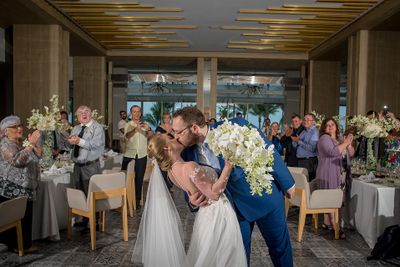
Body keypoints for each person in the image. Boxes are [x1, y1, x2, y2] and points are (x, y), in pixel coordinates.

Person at [172, 107, 295, 267]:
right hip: (233, 210)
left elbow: (267, 149)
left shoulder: (235, 126)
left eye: (178, 132)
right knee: (238, 255)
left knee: (279, 248)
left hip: (264, 198)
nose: (175, 137)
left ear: (194, 128)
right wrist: (192, 200)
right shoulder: (188, 153)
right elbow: (191, 181)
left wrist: (288, 183)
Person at [132, 133, 247, 266]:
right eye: (171, 139)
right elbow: (214, 194)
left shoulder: (171, 173)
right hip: (219, 214)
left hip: (205, 215)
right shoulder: (189, 167)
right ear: (166, 148)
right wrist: (228, 166)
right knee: (224, 257)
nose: (176, 138)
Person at [0, 115, 42, 253]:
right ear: (6, 131)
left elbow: (38, 155)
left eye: (20, 125)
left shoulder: (20, 142)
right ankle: (20, 246)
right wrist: (30, 144)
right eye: (14, 127)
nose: (19, 128)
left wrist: (34, 144)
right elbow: (17, 161)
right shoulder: (5, 144)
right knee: (18, 218)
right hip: (12, 189)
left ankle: (22, 245)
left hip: (25, 187)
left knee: (25, 218)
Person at [316, 118, 354, 238]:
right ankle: (335, 225)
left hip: (341, 172)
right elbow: (333, 152)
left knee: (337, 198)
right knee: (332, 198)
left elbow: (351, 153)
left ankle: (327, 222)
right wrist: (346, 143)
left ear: (336, 126)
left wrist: (348, 144)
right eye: (327, 125)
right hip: (329, 172)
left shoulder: (340, 138)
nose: (330, 127)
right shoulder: (324, 139)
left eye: (332, 124)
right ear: (324, 128)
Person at [68, 106, 105, 228]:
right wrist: (70, 142)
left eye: (86, 112)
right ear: (77, 116)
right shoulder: (76, 128)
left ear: (91, 114)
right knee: (80, 193)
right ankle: (84, 218)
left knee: (91, 194)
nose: (83, 114)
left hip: (91, 166)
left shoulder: (97, 127)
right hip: (77, 166)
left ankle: (95, 221)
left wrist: (79, 141)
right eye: (80, 113)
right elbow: (71, 145)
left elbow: (96, 145)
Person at [121, 105, 153, 209]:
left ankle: (137, 200)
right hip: (129, 155)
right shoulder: (128, 124)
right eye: (134, 112)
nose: (136, 113)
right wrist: (136, 129)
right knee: (124, 178)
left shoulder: (146, 124)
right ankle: (123, 200)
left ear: (141, 113)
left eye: (138, 111)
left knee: (139, 179)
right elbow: (127, 136)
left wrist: (149, 129)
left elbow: (151, 136)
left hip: (142, 155)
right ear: (131, 113)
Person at [292, 113, 319, 181]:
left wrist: (298, 141)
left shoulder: (315, 132)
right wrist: (295, 141)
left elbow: (312, 149)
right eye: (304, 119)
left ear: (313, 122)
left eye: (308, 119)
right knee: (301, 184)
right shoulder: (303, 131)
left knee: (307, 184)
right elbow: (294, 145)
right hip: (300, 161)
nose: (305, 121)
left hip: (309, 162)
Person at [155, 113, 174, 190]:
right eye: (165, 118)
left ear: (170, 118)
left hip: (172, 149)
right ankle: (163, 186)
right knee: (163, 167)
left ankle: (169, 186)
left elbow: (176, 137)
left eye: (168, 117)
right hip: (162, 149)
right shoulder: (159, 127)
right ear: (163, 119)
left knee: (171, 167)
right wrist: (168, 133)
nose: (167, 119)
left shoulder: (173, 127)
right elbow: (157, 137)